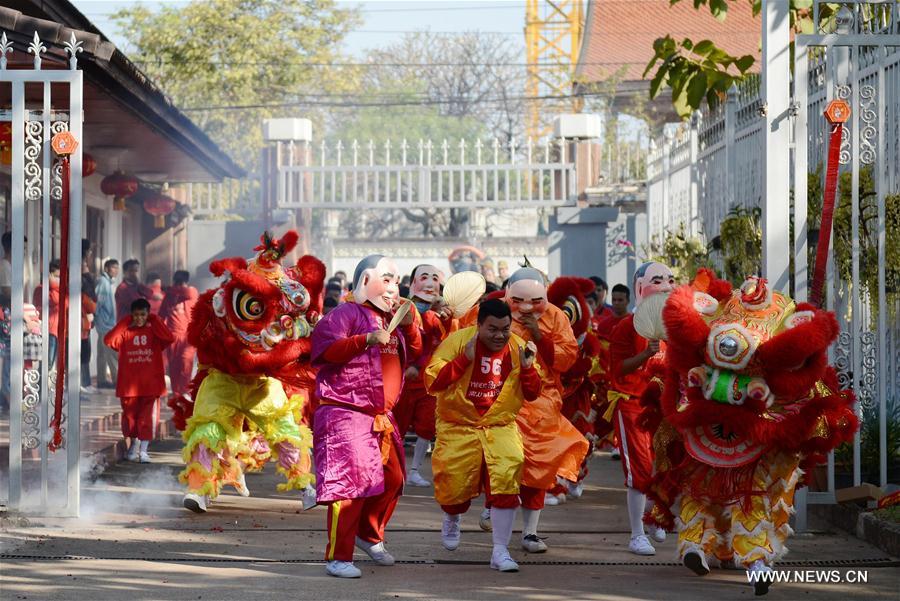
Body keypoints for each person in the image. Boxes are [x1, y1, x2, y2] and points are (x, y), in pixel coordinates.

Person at [310, 254, 422, 579]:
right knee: (349, 488)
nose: (392, 289)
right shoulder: (347, 313)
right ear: (365, 281)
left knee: (394, 479)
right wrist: (365, 340)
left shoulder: (391, 321)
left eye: (396, 282)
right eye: (386, 280)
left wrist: (409, 326)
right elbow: (323, 349)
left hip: (380, 417)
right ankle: (338, 557)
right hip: (346, 413)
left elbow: (414, 351)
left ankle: (369, 535)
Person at [425, 299, 541, 572]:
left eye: (505, 328)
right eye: (492, 329)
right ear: (478, 326)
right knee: (453, 489)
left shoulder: (519, 347)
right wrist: (463, 359)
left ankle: (500, 551)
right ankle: (452, 517)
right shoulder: (457, 342)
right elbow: (433, 381)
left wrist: (527, 368)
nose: (500, 335)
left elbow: (534, 392)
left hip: (500, 426)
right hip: (458, 426)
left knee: (507, 479)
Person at [504, 267, 589, 553]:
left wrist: (539, 334)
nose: (526, 307)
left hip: (543, 400)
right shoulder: (496, 310)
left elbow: (565, 360)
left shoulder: (556, 316)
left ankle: (530, 532)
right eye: (518, 300)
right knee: (502, 460)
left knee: (539, 466)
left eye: (535, 301)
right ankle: (496, 508)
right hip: (502, 398)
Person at [609, 262, 673, 556]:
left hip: (665, 406)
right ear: (640, 287)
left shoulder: (675, 326)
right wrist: (645, 354)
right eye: (657, 280)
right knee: (639, 471)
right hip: (632, 403)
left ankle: (657, 516)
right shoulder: (625, 327)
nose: (665, 285)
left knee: (665, 466)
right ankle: (636, 534)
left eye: (669, 280)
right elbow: (617, 370)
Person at [394, 264, 450, 488]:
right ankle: (394, 469)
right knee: (397, 425)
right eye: (424, 277)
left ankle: (415, 470)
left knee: (427, 426)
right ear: (412, 284)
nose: (429, 283)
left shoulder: (442, 314)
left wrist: (444, 316)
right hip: (403, 378)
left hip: (429, 380)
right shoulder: (401, 308)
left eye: (434, 278)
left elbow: (446, 339)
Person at [103, 298, 174, 463]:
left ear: (148, 315)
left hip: (150, 385)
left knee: (146, 419)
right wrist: (126, 321)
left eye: (143, 315)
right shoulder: (126, 331)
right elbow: (109, 340)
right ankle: (133, 447)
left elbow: (169, 338)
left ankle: (144, 450)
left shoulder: (154, 331)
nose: (139, 318)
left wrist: (154, 319)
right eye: (135, 315)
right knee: (130, 419)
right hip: (129, 386)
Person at [159, 270, 198, 397]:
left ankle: (184, 393)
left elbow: (185, 292)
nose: (179, 285)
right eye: (178, 282)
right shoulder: (169, 296)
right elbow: (161, 315)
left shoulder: (191, 292)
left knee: (185, 364)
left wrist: (168, 288)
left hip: (187, 336)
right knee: (174, 368)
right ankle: (177, 396)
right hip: (172, 336)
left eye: (181, 282)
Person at [95, 259, 119, 389]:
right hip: (105, 323)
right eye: (113, 267)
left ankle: (101, 380)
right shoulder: (103, 282)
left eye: (117, 268)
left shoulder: (109, 283)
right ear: (106, 268)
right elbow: (99, 302)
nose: (116, 270)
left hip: (107, 323)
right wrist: (96, 317)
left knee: (102, 353)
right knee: (112, 354)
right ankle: (117, 380)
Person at [32, 259, 61, 369]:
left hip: (59, 330)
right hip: (48, 330)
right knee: (46, 364)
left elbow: (66, 303)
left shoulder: (62, 290)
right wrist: (52, 286)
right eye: (56, 276)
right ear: (49, 275)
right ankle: (42, 385)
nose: (59, 280)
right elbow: (54, 301)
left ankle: (49, 385)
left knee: (53, 364)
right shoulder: (41, 289)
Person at [80, 272, 98, 393]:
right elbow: (92, 307)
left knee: (84, 357)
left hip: (83, 328)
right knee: (83, 357)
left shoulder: (81, 296)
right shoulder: (83, 296)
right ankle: (84, 383)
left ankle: (85, 383)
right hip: (82, 329)